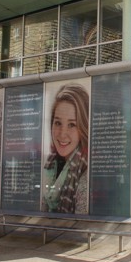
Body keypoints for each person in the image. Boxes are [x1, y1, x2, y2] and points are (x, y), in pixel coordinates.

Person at [41, 83, 89, 214]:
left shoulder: (86, 176)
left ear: (83, 127)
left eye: (72, 125)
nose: (62, 134)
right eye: (58, 123)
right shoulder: (51, 164)